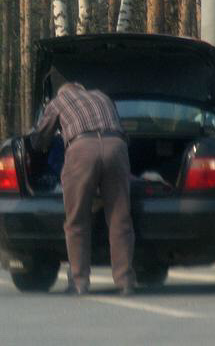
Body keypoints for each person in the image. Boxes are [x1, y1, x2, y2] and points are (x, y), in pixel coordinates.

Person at [30, 82, 136, 296]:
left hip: (82, 150)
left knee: (77, 219)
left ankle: (79, 282)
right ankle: (124, 281)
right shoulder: (101, 95)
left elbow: (40, 138)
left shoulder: (59, 101)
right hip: (116, 146)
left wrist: (36, 144)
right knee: (119, 218)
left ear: (64, 91)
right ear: (82, 89)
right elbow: (122, 130)